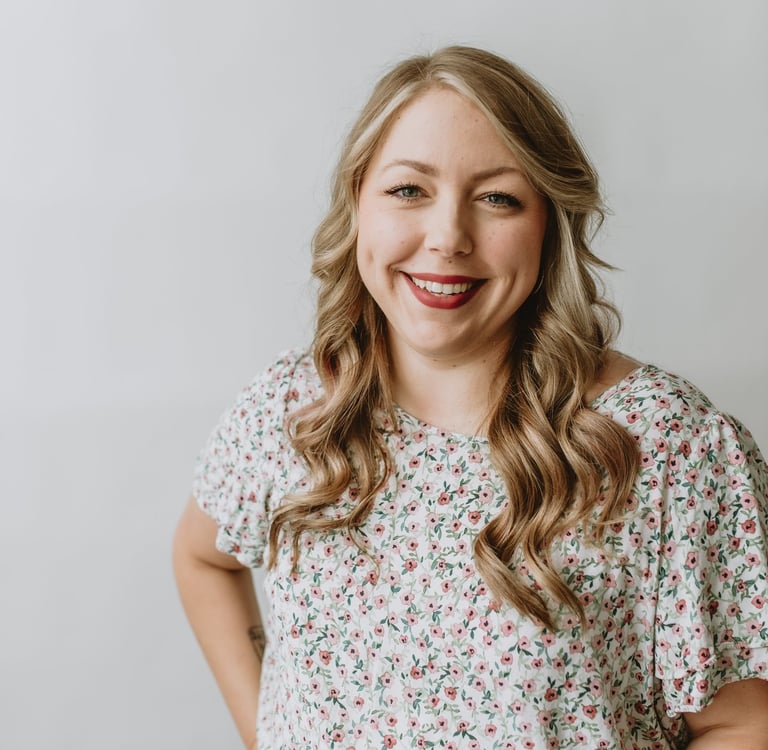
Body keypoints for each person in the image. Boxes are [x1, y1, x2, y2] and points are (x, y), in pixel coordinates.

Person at [173, 46, 768, 749]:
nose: (448, 237)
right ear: (357, 204)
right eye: (408, 190)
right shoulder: (290, 408)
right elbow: (202, 557)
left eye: (498, 198)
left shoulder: (668, 443)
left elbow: (743, 721)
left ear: (548, 226)